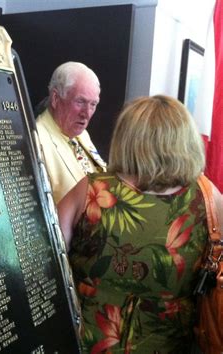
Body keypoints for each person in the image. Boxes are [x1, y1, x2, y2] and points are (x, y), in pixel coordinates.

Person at [57, 95, 223, 353]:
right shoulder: (207, 199)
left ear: (127, 138)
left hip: (84, 344)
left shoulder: (91, 191)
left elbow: (44, 263)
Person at [36, 61, 106, 204]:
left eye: (93, 104)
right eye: (80, 102)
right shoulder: (36, 140)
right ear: (55, 98)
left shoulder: (82, 134)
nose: (86, 114)